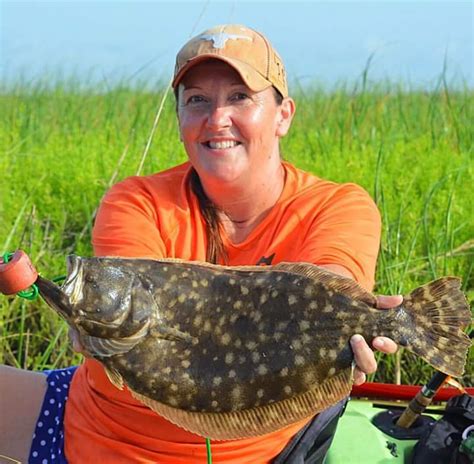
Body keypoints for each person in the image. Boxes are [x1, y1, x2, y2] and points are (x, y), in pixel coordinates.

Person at [0, 24, 400, 463]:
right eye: (197, 101)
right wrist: (98, 323)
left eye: (239, 97)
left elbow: (333, 279)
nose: (217, 118)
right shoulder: (136, 200)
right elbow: (134, 316)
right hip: (94, 431)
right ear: (179, 119)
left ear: (283, 114)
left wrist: (356, 327)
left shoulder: (338, 205)